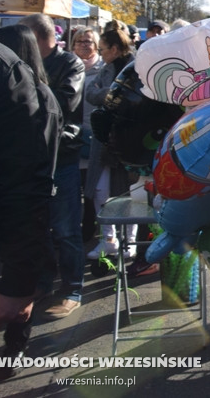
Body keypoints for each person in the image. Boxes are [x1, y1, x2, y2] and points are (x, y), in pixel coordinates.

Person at [0, 26, 63, 378]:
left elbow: (27, 174)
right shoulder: (33, 89)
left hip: (27, 208)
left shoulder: (23, 88)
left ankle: (13, 352)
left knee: (21, 299)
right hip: (31, 208)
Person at [18, 14, 86, 319]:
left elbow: (61, 105)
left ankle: (73, 288)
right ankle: (44, 282)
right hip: (34, 158)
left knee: (66, 228)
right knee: (40, 227)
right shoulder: (24, 65)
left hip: (63, 157)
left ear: (36, 37)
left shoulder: (70, 64)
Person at [84, 27, 137, 260]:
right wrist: (112, 93)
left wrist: (106, 95)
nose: (101, 53)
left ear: (114, 49)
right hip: (104, 141)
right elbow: (90, 92)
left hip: (128, 141)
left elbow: (132, 99)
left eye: (103, 49)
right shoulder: (106, 68)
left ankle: (130, 242)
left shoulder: (136, 67)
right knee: (99, 190)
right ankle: (108, 239)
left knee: (128, 193)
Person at [71, 26, 103, 242]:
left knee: (93, 187)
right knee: (74, 186)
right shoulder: (67, 66)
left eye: (88, 41)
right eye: (80, 41)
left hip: (94, 134)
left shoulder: (103, 69)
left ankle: (90, 227)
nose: (84, 44)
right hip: (72, 134)